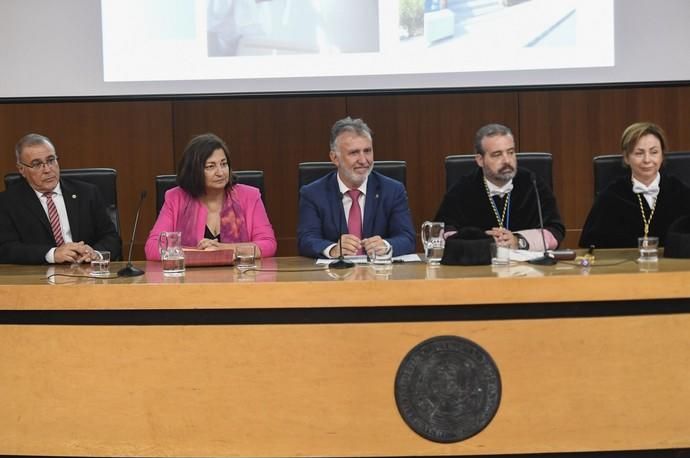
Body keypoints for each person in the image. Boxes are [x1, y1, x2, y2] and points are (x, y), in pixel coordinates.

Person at [297, 117, 416, 259]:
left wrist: (385, 245)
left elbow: (407, 238)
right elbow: (306, 240)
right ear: (335, 158)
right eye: (354, 153)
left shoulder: (392, 190)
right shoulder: (313, 193)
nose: (363, 160)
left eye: (367, 151)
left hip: (381, 275)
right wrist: (333, 249)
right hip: (334, 276)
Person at [145, 133, 276, 260]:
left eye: (224, 164)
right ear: (194, 170)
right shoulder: (175, 198)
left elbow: (268, 244)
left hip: (241, 278)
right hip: (189, 280)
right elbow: (152, 248)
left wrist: (223, 249)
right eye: (210, 166)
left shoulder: (250, 196)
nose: (220, 172)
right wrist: (199, 254)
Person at [435, 123, 565, 250]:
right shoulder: (462, 189)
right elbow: (444, 232)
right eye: (497, 155)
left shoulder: (533, 184)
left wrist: (519, 241)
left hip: (527, 269)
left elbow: (555, 231)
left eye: (510, 152)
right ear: (480, 160)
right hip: (478, 267)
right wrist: (483, 242)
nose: (507, 160)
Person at [0, 133, 122, 264]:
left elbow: (112, 238)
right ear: (21, 169)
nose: (47, 169)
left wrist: (94, 253)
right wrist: (52, 254)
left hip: (87, 273)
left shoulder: (88, 193)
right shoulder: (7, 202)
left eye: (51, 160)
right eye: (36, 164)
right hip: (38, 277)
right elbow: (6, 249)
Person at [580, 122, 690, 248]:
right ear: (627, 157)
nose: (647, 160)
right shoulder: (611, 197)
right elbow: (591, 245)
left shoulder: (681, 192)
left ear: (662, 156)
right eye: (639, 153)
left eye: (654, 152)